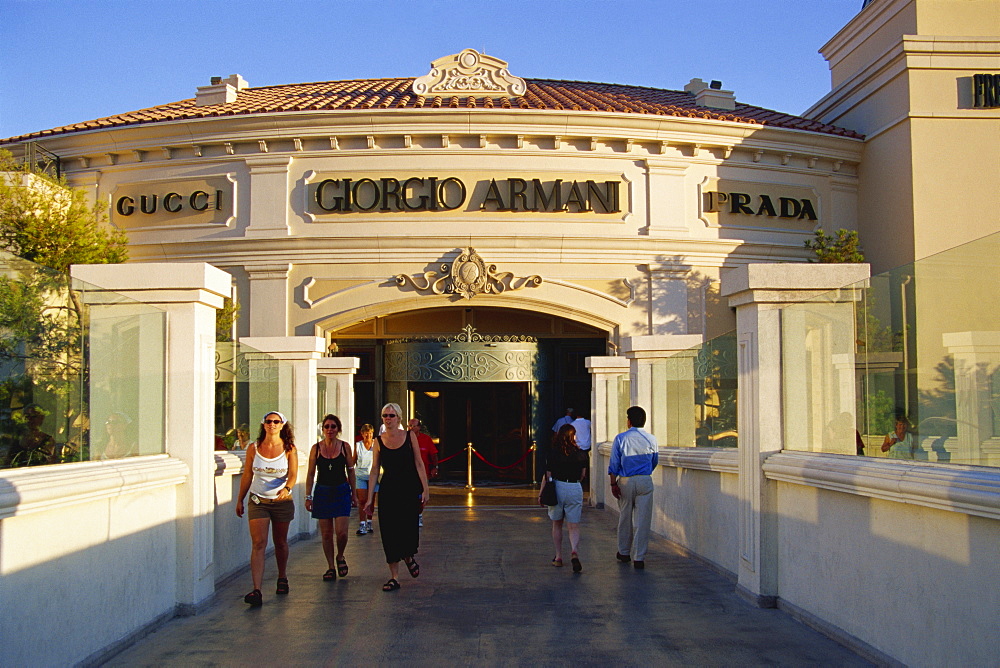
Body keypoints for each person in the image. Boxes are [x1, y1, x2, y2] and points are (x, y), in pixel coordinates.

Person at [364, 403, 430, 592]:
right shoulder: (378, 440)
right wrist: (370, 498)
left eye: (391, 415)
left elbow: (419, 463)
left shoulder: (410, 437)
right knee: (389, 531)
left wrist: (425, 489)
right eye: (385, 415)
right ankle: (394, 577)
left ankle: (409, 557)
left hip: (408, 488)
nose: (388, 418)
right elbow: (375, 469)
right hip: (389, 489)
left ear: (399, 418)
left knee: (407, 529)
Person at [235, 411, 298, 606]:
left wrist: (287, 488)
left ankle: (282, 576)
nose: (272, 424)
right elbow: (247, 475)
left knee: (280, 542)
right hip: (257, 500)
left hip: (281, 501)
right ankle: (257, 590)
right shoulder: (254, 448)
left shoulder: (289, 448)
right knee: (259, 543)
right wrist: (240, 499)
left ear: (282, 425)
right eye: (269, 421)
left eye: (276, 422)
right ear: (264, 425)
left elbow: (294, 474)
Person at [305, 414, 356, 581]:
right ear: (323, 429)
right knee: (326, 534)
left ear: (338, 429)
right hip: (322, 491)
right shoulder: (316, 448)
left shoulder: (344, 447)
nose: (329, 430)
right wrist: (308, 495)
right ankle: (330, 566)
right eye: (326, 426)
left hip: (341, 490)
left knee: (341, 532)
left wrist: (354, 493)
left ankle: (340, 556)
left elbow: (351, 470)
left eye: (333, 426)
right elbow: (311, 473)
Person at [608, 406, 658, 569]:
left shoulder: (621, 438)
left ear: (629, 421)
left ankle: (623, 551)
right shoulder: (651, 439)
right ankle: (639, 556)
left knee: (625, 516)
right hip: (644, 480)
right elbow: (654, 461)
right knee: (643, 520)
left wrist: (613, 483)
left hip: (626, 481)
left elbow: (614, 463)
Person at [539, 423, 587, 572]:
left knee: (557, 524)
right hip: (574, 487)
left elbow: (547, 476)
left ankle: (559, 556)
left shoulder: (552, 453)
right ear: (573, 436)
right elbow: (582, 475)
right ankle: (574, 551)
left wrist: (541, 494)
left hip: (557, 487)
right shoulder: (581, 454)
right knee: (573, 525)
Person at [408, 418, 438, 527]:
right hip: (409, 472)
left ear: (419, 427)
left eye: (414, 426)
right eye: (410, 426)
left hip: (423, 472)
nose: (411, 428)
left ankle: (419, 514)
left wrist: (435, 467)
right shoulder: (404, 438)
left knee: (421, 496)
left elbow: (433, 454)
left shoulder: (426, 439)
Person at [354, 423, 377, 535]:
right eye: (366, 433)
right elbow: (353, 461)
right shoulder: (358, 446)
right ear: (362, 434)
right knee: (362, 500)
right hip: (360, 476)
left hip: (373, 476)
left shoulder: (376, 444)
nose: (368, 435)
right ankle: (362, 523)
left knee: (371, 501)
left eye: (370, 433)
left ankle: (369, 521)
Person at [570, 412, 592, 494]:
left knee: (580, 466)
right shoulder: (588, 422)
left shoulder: (572, 424)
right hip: (587, 447)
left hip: (578, 448)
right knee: (587, 465)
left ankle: (580, 479)